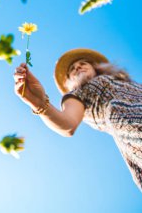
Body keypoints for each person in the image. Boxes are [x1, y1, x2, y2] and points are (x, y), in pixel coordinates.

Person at [13, 48, 142, 193]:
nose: (78, 67)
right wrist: (40, 104)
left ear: (96, 67)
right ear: (70, 81)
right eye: (72, 69)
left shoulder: (127, 82)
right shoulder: (77, 94)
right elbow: (67, 124)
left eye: (83, 63)